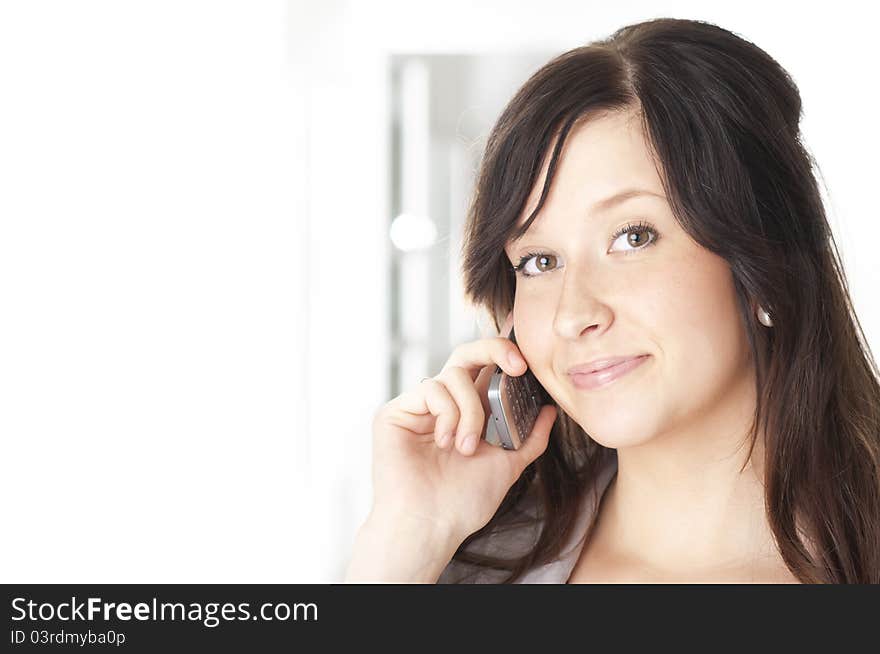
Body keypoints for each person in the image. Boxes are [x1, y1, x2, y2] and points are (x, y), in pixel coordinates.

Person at [345, 17, 880, 584]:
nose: (574, 315)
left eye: (633, 237)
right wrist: (411, 533)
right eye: (540, 261)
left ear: (763, 261)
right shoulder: (461, 568)